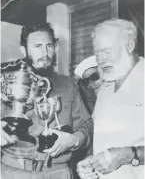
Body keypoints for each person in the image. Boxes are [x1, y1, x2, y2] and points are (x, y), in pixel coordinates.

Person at [1, 22, 93, 179]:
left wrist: (74, 139)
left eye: (49, 46)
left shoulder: (69, 85)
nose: (45, 52)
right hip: (12, 171)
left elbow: (86, 126)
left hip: (58, 173)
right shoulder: (7, 83)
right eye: (37, 46)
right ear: (24, 49)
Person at [77, 18, 144, 179]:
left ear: (129, 46)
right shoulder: (106, 86)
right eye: (97, 54)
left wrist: (129, 155)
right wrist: (89, 164)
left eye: (107, 51)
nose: (100, 60)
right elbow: (103, 137)